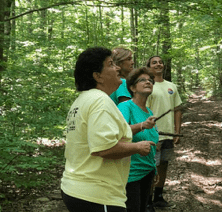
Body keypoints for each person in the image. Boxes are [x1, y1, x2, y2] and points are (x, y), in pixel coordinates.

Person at [61, 47, 155, 212]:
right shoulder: (100, 101)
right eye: (111, 64)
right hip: (97, 195)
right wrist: (138, 147)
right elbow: (104, 147)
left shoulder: (82, 100)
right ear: (97, 76)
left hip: (76, 188)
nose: (118, 68)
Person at [117, 67, 158, 212]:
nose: (148, 82)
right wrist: (142, 125)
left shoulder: (149, 111)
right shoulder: (125, 106)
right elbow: (119, 134)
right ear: (133, 87)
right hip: (131, 174)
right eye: (143, 80)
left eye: (150, 80)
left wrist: (154, 169)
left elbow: (151, 143)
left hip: (147, 171)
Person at [145, 56, 183, 209]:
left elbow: (177, 109)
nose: (158, 64)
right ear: (149, 67)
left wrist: (177, 131)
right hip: (154, 134)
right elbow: (144, 110)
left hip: (168, 134)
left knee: (164, 165)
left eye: (160, 62)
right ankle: (147, 199)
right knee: (150, 166)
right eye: (154, 62)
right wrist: (150, 133)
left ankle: (159, 196)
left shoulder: (171, 86)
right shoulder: (147, 85)